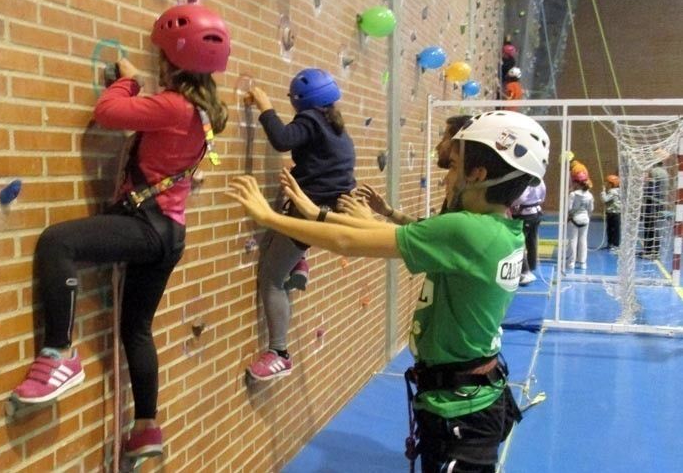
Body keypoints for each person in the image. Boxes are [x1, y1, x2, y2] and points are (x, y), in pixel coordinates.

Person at [227, 110, 551, 473]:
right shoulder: (499, 229)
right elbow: (376, 234)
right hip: (465, 399)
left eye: (455, 165)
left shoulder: (468, 230)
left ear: (479, 174)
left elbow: (351, 241)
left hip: (462, 410)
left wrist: (270, 218)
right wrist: (316, 213)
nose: (448, 175)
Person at [11, 0, 230, 459]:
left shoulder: (172, 105)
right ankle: (147, 426)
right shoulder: (206, 110)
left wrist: (128, 79)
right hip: (170, 234)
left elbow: (108, 112)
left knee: (59, 242)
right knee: (137, 328)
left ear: (171, 57)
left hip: (146, 227)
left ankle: (59, 354)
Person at [243, 68, 356, 380]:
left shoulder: (311, 121)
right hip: (325, 210)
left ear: (300, 101)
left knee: (271, 278)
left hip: (310, 212)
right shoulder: (337, 129)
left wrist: (265, 106)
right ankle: (300, 262)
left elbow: (281, 140)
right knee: (287, 238)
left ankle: (279, 352)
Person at [340, 115, 472, 222]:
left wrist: (367, 221)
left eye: (445, 139)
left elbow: (427, 237)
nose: (438, 146)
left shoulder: (463, 209)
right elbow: (425, 230)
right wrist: (389, 212)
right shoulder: (459, 200)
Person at [511, 179, 546, 285]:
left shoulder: (527, 181)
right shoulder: (540, 181)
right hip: (536, 213)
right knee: (532, 241)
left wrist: (513, 203)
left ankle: (525, 271)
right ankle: (532, 266)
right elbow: (543, 196)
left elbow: (520, 198)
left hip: (526, 214)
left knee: (519, 243)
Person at [566, 171, 594, 271]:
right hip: (585, 219)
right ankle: (583, 262)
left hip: (574, 219)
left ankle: (571, 262)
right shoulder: (590, 195)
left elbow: (569, 208)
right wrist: (587, 215)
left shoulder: (573, 194)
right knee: (583, 240)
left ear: (577, 183)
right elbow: (591, 209)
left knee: (572, 240)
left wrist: (570, 215)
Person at [641, 158, 669, 258]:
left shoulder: (654, 171)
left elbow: (650, 187)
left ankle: (649, 251)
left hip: (652, 201)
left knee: (650, 226)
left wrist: (644, 182)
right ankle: (653, 250)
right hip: (660, 202)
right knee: (655, 226)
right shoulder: (665, 172)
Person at [601, 174, 621, 249]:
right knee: (612, 228)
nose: (606, 184)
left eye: (607, 182)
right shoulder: (618, 191)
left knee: (613, 229)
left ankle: (614, 244)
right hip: (615, 212)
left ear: (612, 184)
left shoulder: (612, 192)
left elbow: (605, 199)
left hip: (613, 213)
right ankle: (612, 243)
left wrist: (603, 191)